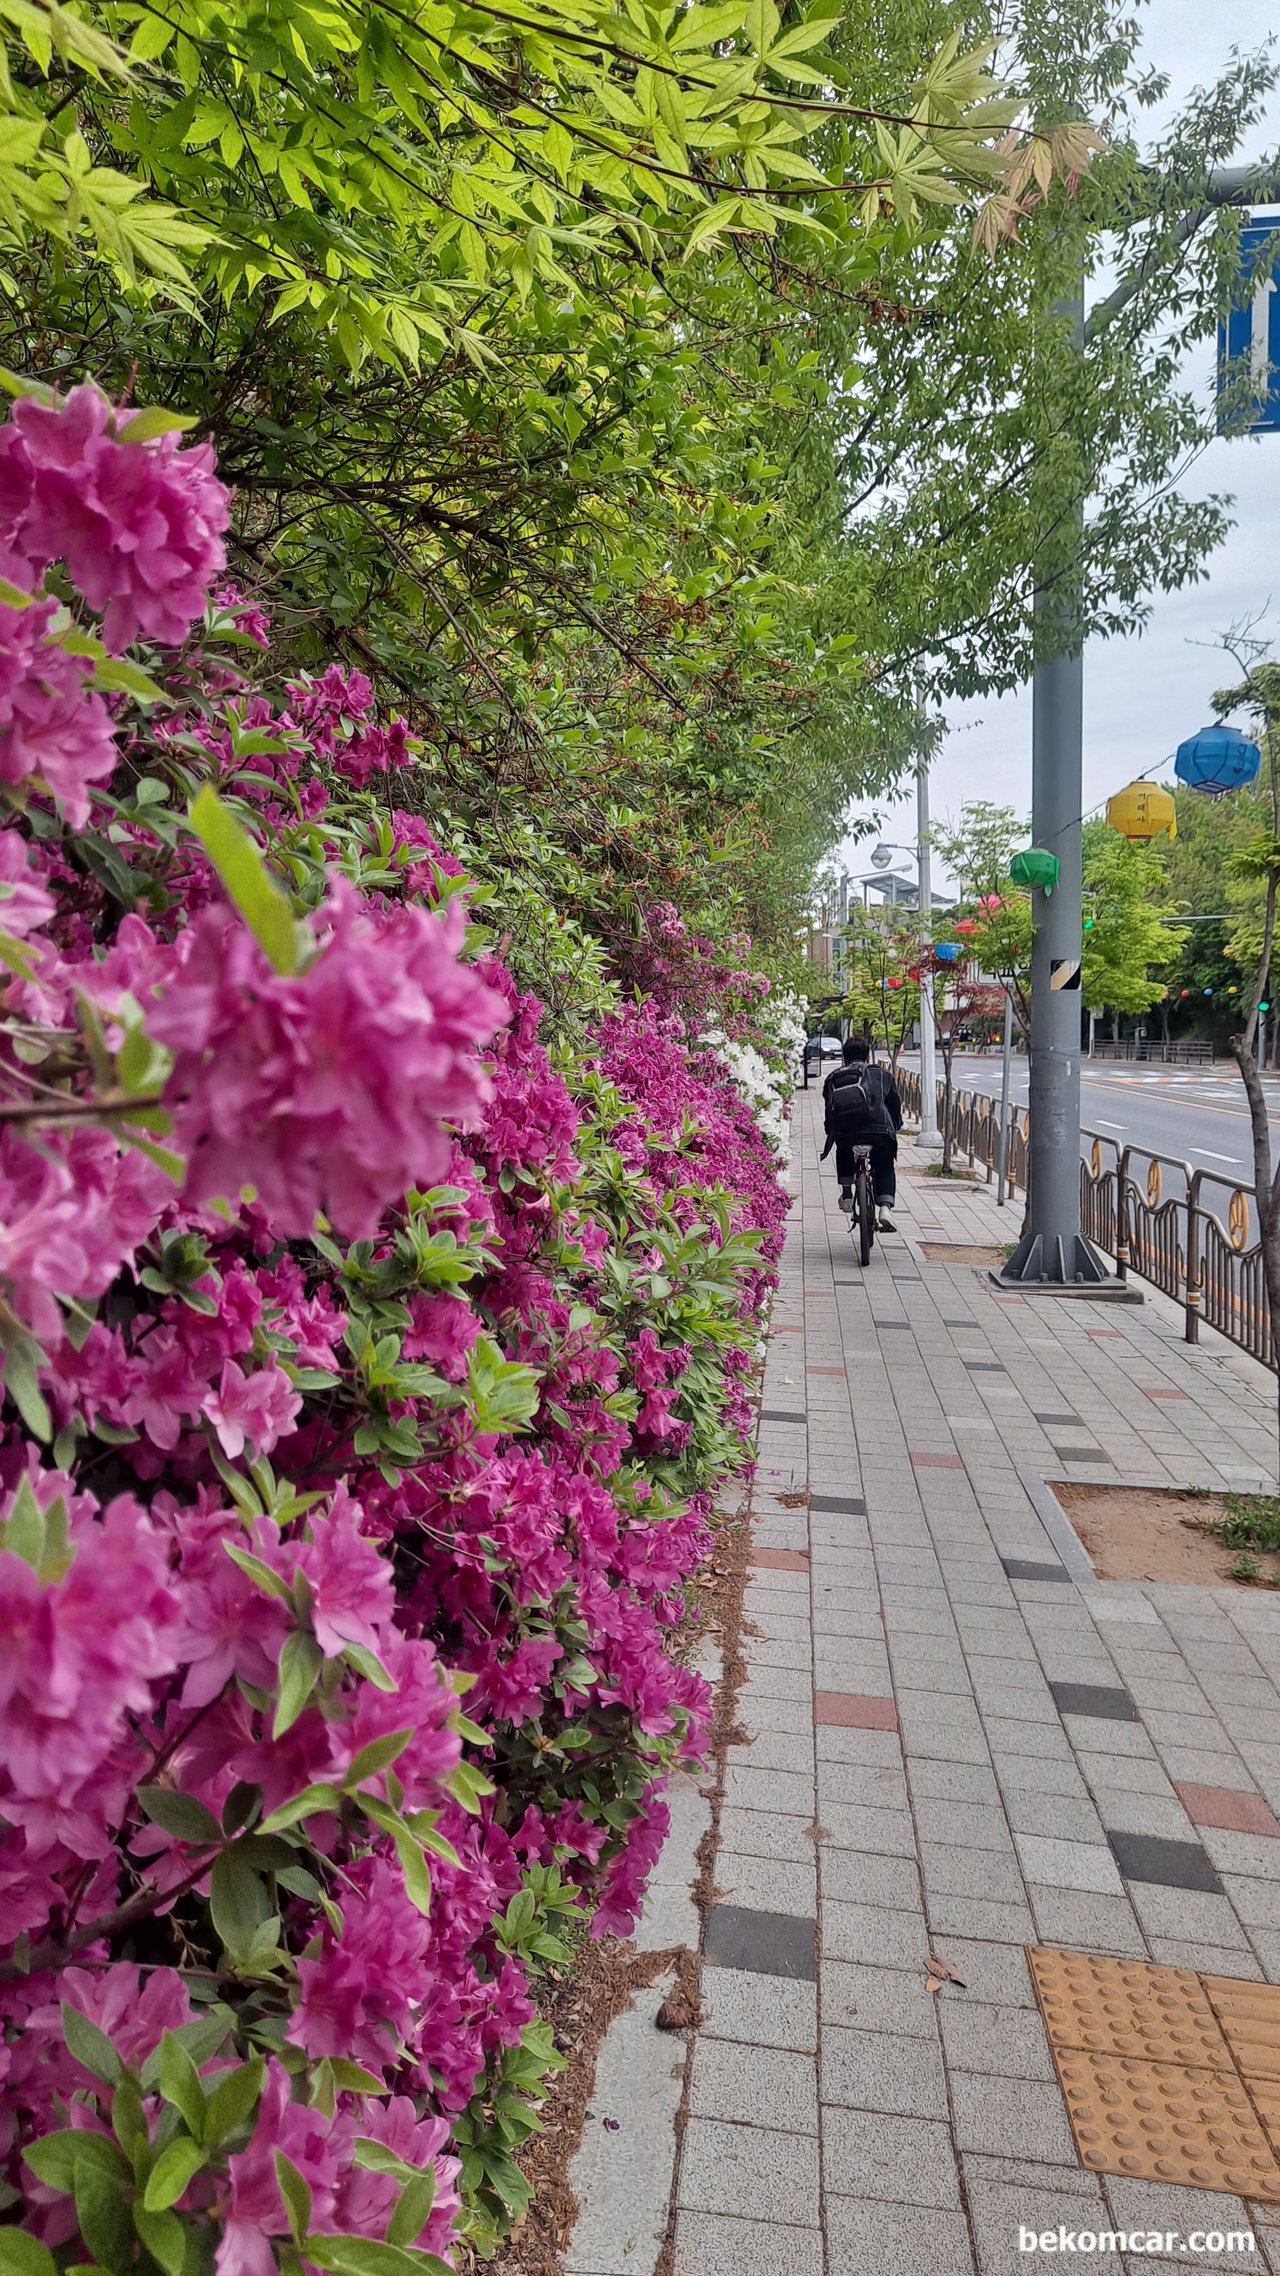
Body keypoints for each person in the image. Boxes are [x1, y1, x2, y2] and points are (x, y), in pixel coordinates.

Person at [821, 1036, 902, 1232]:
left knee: (844, 1150)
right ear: (867, 1056)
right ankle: (885, 1208)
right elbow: (894, 1106)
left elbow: (830, 1110)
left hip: (847, 1132)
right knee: (884, 1166)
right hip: (881, 1131)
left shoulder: (833, 1077)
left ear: (844, 1056)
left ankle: (847, 1195)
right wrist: (895, 1126)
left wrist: (831, 1131)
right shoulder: (883, 1075)